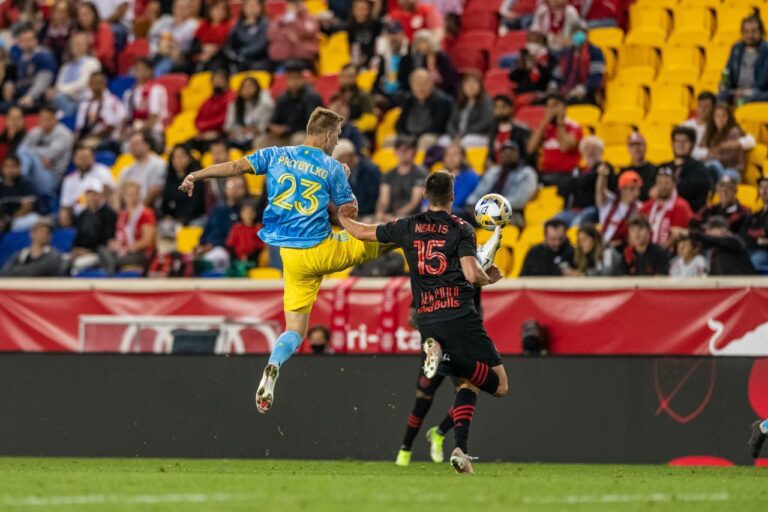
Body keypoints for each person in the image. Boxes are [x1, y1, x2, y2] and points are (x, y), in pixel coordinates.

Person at [178, 107, 387, 413]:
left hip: (289, 257)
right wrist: (343, 181)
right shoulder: (330, 166)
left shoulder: (275, 154)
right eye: (338, 136)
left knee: (295, 330)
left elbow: (236, 166)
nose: (336, 142)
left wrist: (196, 174)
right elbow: (348, 214)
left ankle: (274, 364)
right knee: (393, 236)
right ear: (328, 135)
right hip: (322, 248)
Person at [337, 171, 507, 474]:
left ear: (426, 195)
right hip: (460, 314)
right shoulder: (462, 229)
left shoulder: (408, 226)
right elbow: (471, 274)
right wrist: (488, 278)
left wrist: (343, 218)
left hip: (427, 319)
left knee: (468, 384)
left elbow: (363, 232)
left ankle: (460, 450)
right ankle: (449, 358)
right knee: (499, 385)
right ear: (452, 196)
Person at [467, 140, 536, 227]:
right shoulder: (493, 171)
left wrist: (492, 205)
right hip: (483, 212)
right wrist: (471, 204)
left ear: (518, 154)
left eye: (511, 151)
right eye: (504, 151)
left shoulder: (527, 173)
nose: (507, 154)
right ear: (499, 155)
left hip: (509, 214)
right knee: (454, 217)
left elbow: (520, 200)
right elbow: (478, 192)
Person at [527, 92, 583, 194]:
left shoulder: (574, 127)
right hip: (545, 174)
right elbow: (530, 149)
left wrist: (560, 124)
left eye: (555, 105)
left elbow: (565, 147)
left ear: (564, 108)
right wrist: (543, 124)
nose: (551, 110)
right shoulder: (546, 128)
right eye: (548, 106)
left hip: (566, 175)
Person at [194, 175, 248, 273]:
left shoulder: (245, 211)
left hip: (227, 250)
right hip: (209, 247)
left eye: (239, 187)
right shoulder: (217, 209)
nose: (234, 190)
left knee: (215, 258)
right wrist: (201, 245)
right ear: (225, 188)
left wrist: (213, 245)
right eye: (231, 186)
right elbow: (207, 229)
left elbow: (236, 237)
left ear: (245, 190)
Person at [17, 105, 75, 198]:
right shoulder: (36, 132)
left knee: (25, 151)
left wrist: (33, 152)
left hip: (52, 178)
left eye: (47, 119)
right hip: (33, 173)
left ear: (55, 119)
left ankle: (18, 178)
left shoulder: (64, 135)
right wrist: (40, 157)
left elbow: (49, 154)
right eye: (41, 118)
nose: (44, 122)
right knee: (22, 150)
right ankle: (19, 177)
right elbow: (21, 149)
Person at [261, 64, 323, 148]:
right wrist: (272, 128)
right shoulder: (282, 98)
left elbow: (313, 124)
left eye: (297, 78)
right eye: (290, 78)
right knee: (261, 141)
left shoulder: (312, 96)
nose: (293, 82)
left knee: (298, 139)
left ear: (303, 79)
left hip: (306, 134)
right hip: (285, 135)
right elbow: (275, 119)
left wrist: (288, 129)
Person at [555, 135, 609, 227]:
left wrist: (577, 182)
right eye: (587, 149)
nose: (590, 152)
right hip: (571, 210)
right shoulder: (576, 171)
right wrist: (582, 181)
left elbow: (576, 183)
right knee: (551, 224)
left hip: (593, 210)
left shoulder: (605, 167)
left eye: (594, 148)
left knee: (577, 224)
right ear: (582, 153)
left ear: (601, 152)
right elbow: (561, 188)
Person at [2, 24, 58, 113]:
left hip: (38, 97)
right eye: (23, 40)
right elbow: (11, 75)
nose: (26, 43)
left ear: (36, 40)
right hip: (19, 94)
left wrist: (31, 96)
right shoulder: (18, 55)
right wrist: (9, 84)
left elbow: (43, 81)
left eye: (29, 40)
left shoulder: (43, 56)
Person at [395, 69, 454, 150]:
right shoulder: (407, 100)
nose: (420, 87)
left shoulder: (442, 101)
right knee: (390, 140)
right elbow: (400, 123)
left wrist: (416, 136)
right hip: (409, 135)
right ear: (411, 86)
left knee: (425, 140)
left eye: (424, 83)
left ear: (431, 83)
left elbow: (438, 126)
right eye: (417, 84)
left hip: (431, 135)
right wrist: (405, 135)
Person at [105, 180, 157, 274]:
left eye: (135, 194)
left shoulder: (146, 213)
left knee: (112, 261)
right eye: (129, 195)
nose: (132, 198)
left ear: (140, 196)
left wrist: (128, 248)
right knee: (104, 252)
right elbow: (121, 237)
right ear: (124, 197)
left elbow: (147, 241)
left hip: (142, 254)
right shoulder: (123, 214)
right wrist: (116, 244)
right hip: (127, 252)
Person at [59, 145, 116, 227]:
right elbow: (65, 205)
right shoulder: (69, 180)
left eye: (86, 157)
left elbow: (109, 193)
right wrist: (64, 216)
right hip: (77, 217)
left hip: (98, 214)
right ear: (74, 159)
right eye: (80, 158)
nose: (83, 161)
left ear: (93, 158)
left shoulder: (102, 171)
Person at [375, 135, 428, 222]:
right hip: (391, 216)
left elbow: (414, 202)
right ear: (395, 151)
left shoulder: (421, 173)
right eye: (400, 149)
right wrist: (380, 214)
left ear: (414, 152)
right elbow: (383, 201)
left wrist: (394, 216)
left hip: (413, 217)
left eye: (407, 149)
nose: (403, 152)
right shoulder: (388, 174)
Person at [69, 179, 117, 274]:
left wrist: (88, 251)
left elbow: (107, 239)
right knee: (64, 261)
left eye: (94, 194)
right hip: (82, 251)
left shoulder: (109, 213)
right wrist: (75, 249)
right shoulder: (83, 214)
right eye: (88, 194)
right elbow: (78, 237)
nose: (91, 197)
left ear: (100, 195)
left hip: (98, 253)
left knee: (78, 264)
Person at [639, 167, 693, 250]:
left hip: (670, 253)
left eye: (667, 183)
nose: (663, 186)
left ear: (674, 184)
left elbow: (677, 235)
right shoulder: (648, 206)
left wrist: (659, 253)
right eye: (660, 183)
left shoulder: (681, 206)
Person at [50, 31, 102, 117]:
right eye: (74, 44)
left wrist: (62, 90)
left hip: (84, 99)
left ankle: (72, 119)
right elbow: (58, 84)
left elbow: (84, 83)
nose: (77, 47)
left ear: (86, 46)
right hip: (66, 98)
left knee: (59, 98)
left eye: (80, 44)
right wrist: (60, 91)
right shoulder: (66, 66)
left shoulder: (92, 62)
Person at [659, 125, 710, 212]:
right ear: (672, 143)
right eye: (677, 141)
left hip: (689, 215)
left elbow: (690, 192)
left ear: (692, 144)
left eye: (684, 141)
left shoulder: (699, 169)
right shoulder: (663, 167)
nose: (680, 144)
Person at [720, 14, 768, 104]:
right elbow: (727, 70)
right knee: (719, 96)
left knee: (756, 96)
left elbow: (764, 80)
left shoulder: (766, 50)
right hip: (736, 90)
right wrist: (724, 85)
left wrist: (746, 92)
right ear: (742, 33)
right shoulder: (736, 49)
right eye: (746, 32)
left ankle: (739, 103)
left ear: (761, 32)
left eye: (754, 31)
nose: (750, 35)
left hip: (758, 92)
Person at [75, 71, 126, 153]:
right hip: (88, 137)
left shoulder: (112, 101)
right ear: (89, 84)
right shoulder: (85, 104)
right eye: (93, 83)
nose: (96, 86)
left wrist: (91, 138)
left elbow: (110, 127)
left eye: (99, 83)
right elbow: (80, 126)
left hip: (107, 137)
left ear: (104, 84)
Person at [553, 24, 605, 105]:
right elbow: (557, 75)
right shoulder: (565, 54)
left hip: (587, 93)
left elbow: (596, 76)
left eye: (580, 33)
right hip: (565, 92)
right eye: (574, 33)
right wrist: (553, 85)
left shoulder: (595, 52)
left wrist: (582, 89)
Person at [397, 29, 458, 98]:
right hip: (418, 91)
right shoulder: (413, 59)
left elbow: (448, 78)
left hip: (442, 90)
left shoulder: (441, 58)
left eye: (424, 41)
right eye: (418, 42)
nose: (421, 45)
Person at [148, 0, 200, 77]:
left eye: (185, 8)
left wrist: (166, 40)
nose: (180, 10)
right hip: (159, 53)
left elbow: (179, 40)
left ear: (190, 9)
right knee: (142, 65)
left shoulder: (193, 24)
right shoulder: (165, 19)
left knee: (161, 68)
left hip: (179, 58)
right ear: (173, 7)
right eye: (179, 7)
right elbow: (151, 33)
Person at [689, 216, 755, 275]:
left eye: (710, 229)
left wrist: (692, 233)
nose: (707, 232)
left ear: (722, 229)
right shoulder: (716, 249)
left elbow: (714, 240)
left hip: (745, 283)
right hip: (726, 283)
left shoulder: (734, 241)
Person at [123, 58, 169, 144]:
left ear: (150, 71)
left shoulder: (157, 90)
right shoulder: (130, 93)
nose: (139, 72)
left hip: (154, 132)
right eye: (137, 69)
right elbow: (128, 118)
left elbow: (153, 117)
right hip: (135, 132)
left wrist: (137, 132)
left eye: (142, 69)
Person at [332, 139, 380, 220]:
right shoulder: (344, 171)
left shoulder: (370, 170)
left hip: (367, 215)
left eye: (339, 159)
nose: (338, 163)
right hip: (352, 214)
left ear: (348, 156)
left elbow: (372, 200)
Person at [444, 73, 494, 149]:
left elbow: (485, 123)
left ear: (480, 86)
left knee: (465, 142)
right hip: (459, 135)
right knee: (442, 142)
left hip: (479, 135)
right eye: (467, 84)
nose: (471, 86)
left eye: (474, 83)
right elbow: (450, 123)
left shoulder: (487, 102)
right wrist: (454, 135)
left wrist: (463, 134)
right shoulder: (459, 103)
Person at [225, 77, 275, 151]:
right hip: (237, 138)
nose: (247, 89)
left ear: (257, 88)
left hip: (256, 137)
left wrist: (254, 129)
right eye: (244, 87)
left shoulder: (263, 104)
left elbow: (264, 127)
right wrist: (239, 131)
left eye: (250, 86)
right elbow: (227, 127)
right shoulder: (234, 105)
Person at [702, 103, 748, 183]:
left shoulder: (734, 132)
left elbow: (731, 158)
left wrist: (712, 155)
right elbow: (703, 149)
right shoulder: (712, 133)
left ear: (729, 117)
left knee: (715, 167)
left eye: (724, 116)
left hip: (732, 170)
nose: (720, 119)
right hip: (716, 167)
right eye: (717, 116)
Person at [596, 166, 641, 247]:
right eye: (632, 189)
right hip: (603, 245)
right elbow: (600, 191)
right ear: (622, 189)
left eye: (638, 189)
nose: (636, 193)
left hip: (623, 247)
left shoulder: (639, 207)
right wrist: (602, 176)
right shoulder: (610, 202)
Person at [161, 145, 206, 226]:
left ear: (189, 158)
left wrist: (182, 220)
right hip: (173, 220)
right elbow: (165, 202)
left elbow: (197, 205)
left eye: (182, 156)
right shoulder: (170, 178)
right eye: (175, 157)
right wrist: (167, 216)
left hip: (193, 218)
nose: (178, 160)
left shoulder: (196, 177)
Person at [267, 0, 319, 69]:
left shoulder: (310, 18)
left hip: (303, 58)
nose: (294, 5)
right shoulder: (279, 19)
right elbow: (271, 35)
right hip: (280, 58)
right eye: (291, 3)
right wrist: (285, 27)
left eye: (297, 2)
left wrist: (293, 20)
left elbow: (307, 32)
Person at [118, 132, 166, 207]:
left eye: (136, 144)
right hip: (130, 209)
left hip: (150, 209)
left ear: (147, 145)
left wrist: (138, 211)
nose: (133, 147)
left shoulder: (158, 164)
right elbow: (118, 192)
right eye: (131, 145)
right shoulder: (127, 169)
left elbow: (154, 191)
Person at [193, 69, 235, 150]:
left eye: (220, 79)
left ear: (226, 81)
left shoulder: (232, 96)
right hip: (205, 134)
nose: (216, 82)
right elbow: (197, 120)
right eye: (214, 80)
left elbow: (225, 118)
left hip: (222, 133)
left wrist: (208, 129)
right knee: (186, 146)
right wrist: (203, 132)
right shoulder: (208, 101)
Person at [223, 0, 270, 71]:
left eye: (255, 5)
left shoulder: (266, 24)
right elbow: (229, 45)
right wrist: (234, 56)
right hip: (240, 62)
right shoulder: (237, 26)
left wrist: (240, 54)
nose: (252, 8)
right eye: (249, 5)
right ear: (243, 8)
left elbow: (262, 45)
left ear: (261, 7)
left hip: (259, 61)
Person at [190, 0, 232, 72]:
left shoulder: (229, 27)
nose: (218, 12)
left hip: (220, 57)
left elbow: (229, 47)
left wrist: (214, 50)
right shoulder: (203, 26)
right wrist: (203, 49)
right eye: (216, 9)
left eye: (222, 9)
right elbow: (194, 45)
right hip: (202, 55)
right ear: (210, 10)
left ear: (226, 12)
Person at [0, 155, 39, 232]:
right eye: (7, 167)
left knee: (35, 219)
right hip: (4, 219)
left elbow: (27, 208)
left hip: (21, 219)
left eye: (13, 166)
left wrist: (10, 220)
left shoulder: (26, 183)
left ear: (19, 168)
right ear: (2, 169)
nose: (10, 170)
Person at [489, 94, 531, 166]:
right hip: (497, 170)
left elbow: (527, 154)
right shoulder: (492, 131)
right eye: (496, 107)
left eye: (503, 107)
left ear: (511, 108)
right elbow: (490, 155)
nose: (500, 110)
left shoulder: (521, 130)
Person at [225, 199, 265, 275]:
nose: (248, 215)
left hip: (254, 259)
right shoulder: (236, 228)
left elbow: (261, 246)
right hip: (237, 259)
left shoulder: (258, 228)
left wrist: (248, 256)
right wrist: (239, 258)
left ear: (254, 214)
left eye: (251, 212)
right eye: (246, 212)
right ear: (241, 214)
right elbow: (230, 245)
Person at [75, 1, 115, 74]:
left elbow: (105, 52)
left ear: (94, 14)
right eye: (80, 16)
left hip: (102, 67)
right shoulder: (77, 32)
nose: (83, 18)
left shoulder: (104, 28)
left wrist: (88, 54)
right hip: (80, 65)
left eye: (86, 15)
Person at [372, 20, 409, 98]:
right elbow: (377, 77)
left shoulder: (410, 52)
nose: (393, 37)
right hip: (385, 94)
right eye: (390, 34)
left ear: (402, 34)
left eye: (395, 33)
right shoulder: (382, 55)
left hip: (404, 94)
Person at [442, 143, 479, 218]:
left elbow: (458, 201)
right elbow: (428, 199)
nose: (451, 158)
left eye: (455, 155)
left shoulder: (471, 176)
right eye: (447, 155)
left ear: (463, 158)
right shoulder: (439, 176)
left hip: (463, 214)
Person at [741, 176, 768, 273]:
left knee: (752, 262)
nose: (764, 191)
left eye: (767, 187)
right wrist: (759, 241)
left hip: (764, 253)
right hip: (750, 250)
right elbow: (743, 236)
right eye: (762, 187)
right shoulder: (753, 216)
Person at [618, 132, 655, 201]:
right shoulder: (623, 173)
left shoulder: (654, 170)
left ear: (645, 146)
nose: (636, 148)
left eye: (639, 144)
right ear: (628, 149)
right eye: (632, 145)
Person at [345, 0, 382, 67]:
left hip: (373, 62)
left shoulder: (376, 25)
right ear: (353, 10)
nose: (362, 13)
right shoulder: (349, 27)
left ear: (369, 10)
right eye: (359, 9)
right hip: (355, 62)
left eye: (365, 9)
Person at [682, 91, 716, 160]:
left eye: (706, 106)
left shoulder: (717, 127)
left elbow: (715, 152)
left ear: (713, 108)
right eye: (700, 106)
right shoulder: (687, 125)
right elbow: (683, 148)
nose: (703, 109)